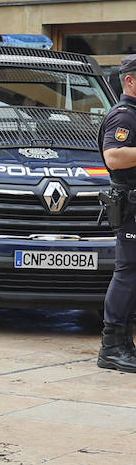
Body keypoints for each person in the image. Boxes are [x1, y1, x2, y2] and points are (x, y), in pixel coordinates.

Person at [96, 53, 136, 373]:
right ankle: (112, 347)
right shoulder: (124, 116)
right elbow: (115, 157)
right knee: (128, 273)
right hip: (131, 207)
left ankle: (126, 344)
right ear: (131, 80)